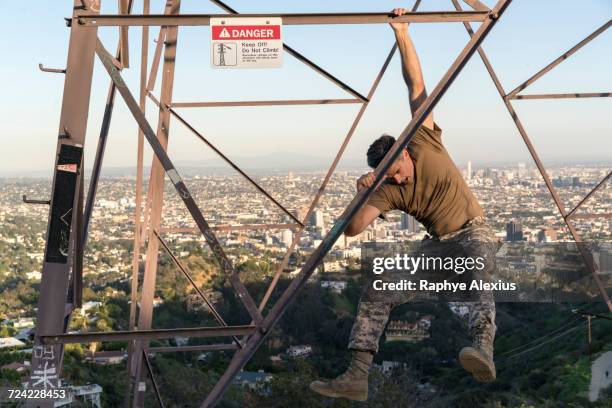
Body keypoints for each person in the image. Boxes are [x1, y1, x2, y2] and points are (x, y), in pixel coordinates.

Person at [309, 8, 500, 402]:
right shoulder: (387, 187)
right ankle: (357, 374)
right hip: (437, 246)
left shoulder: (423, 137)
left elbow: (416, 83)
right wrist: (363, 191)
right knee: (380, 288)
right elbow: (353, 228)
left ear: (404, 148)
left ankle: (483, 347)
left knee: (479, 260)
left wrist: (402, 32)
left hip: (471, 229)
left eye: (396, 169)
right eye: (389, 176)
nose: (399, 179)